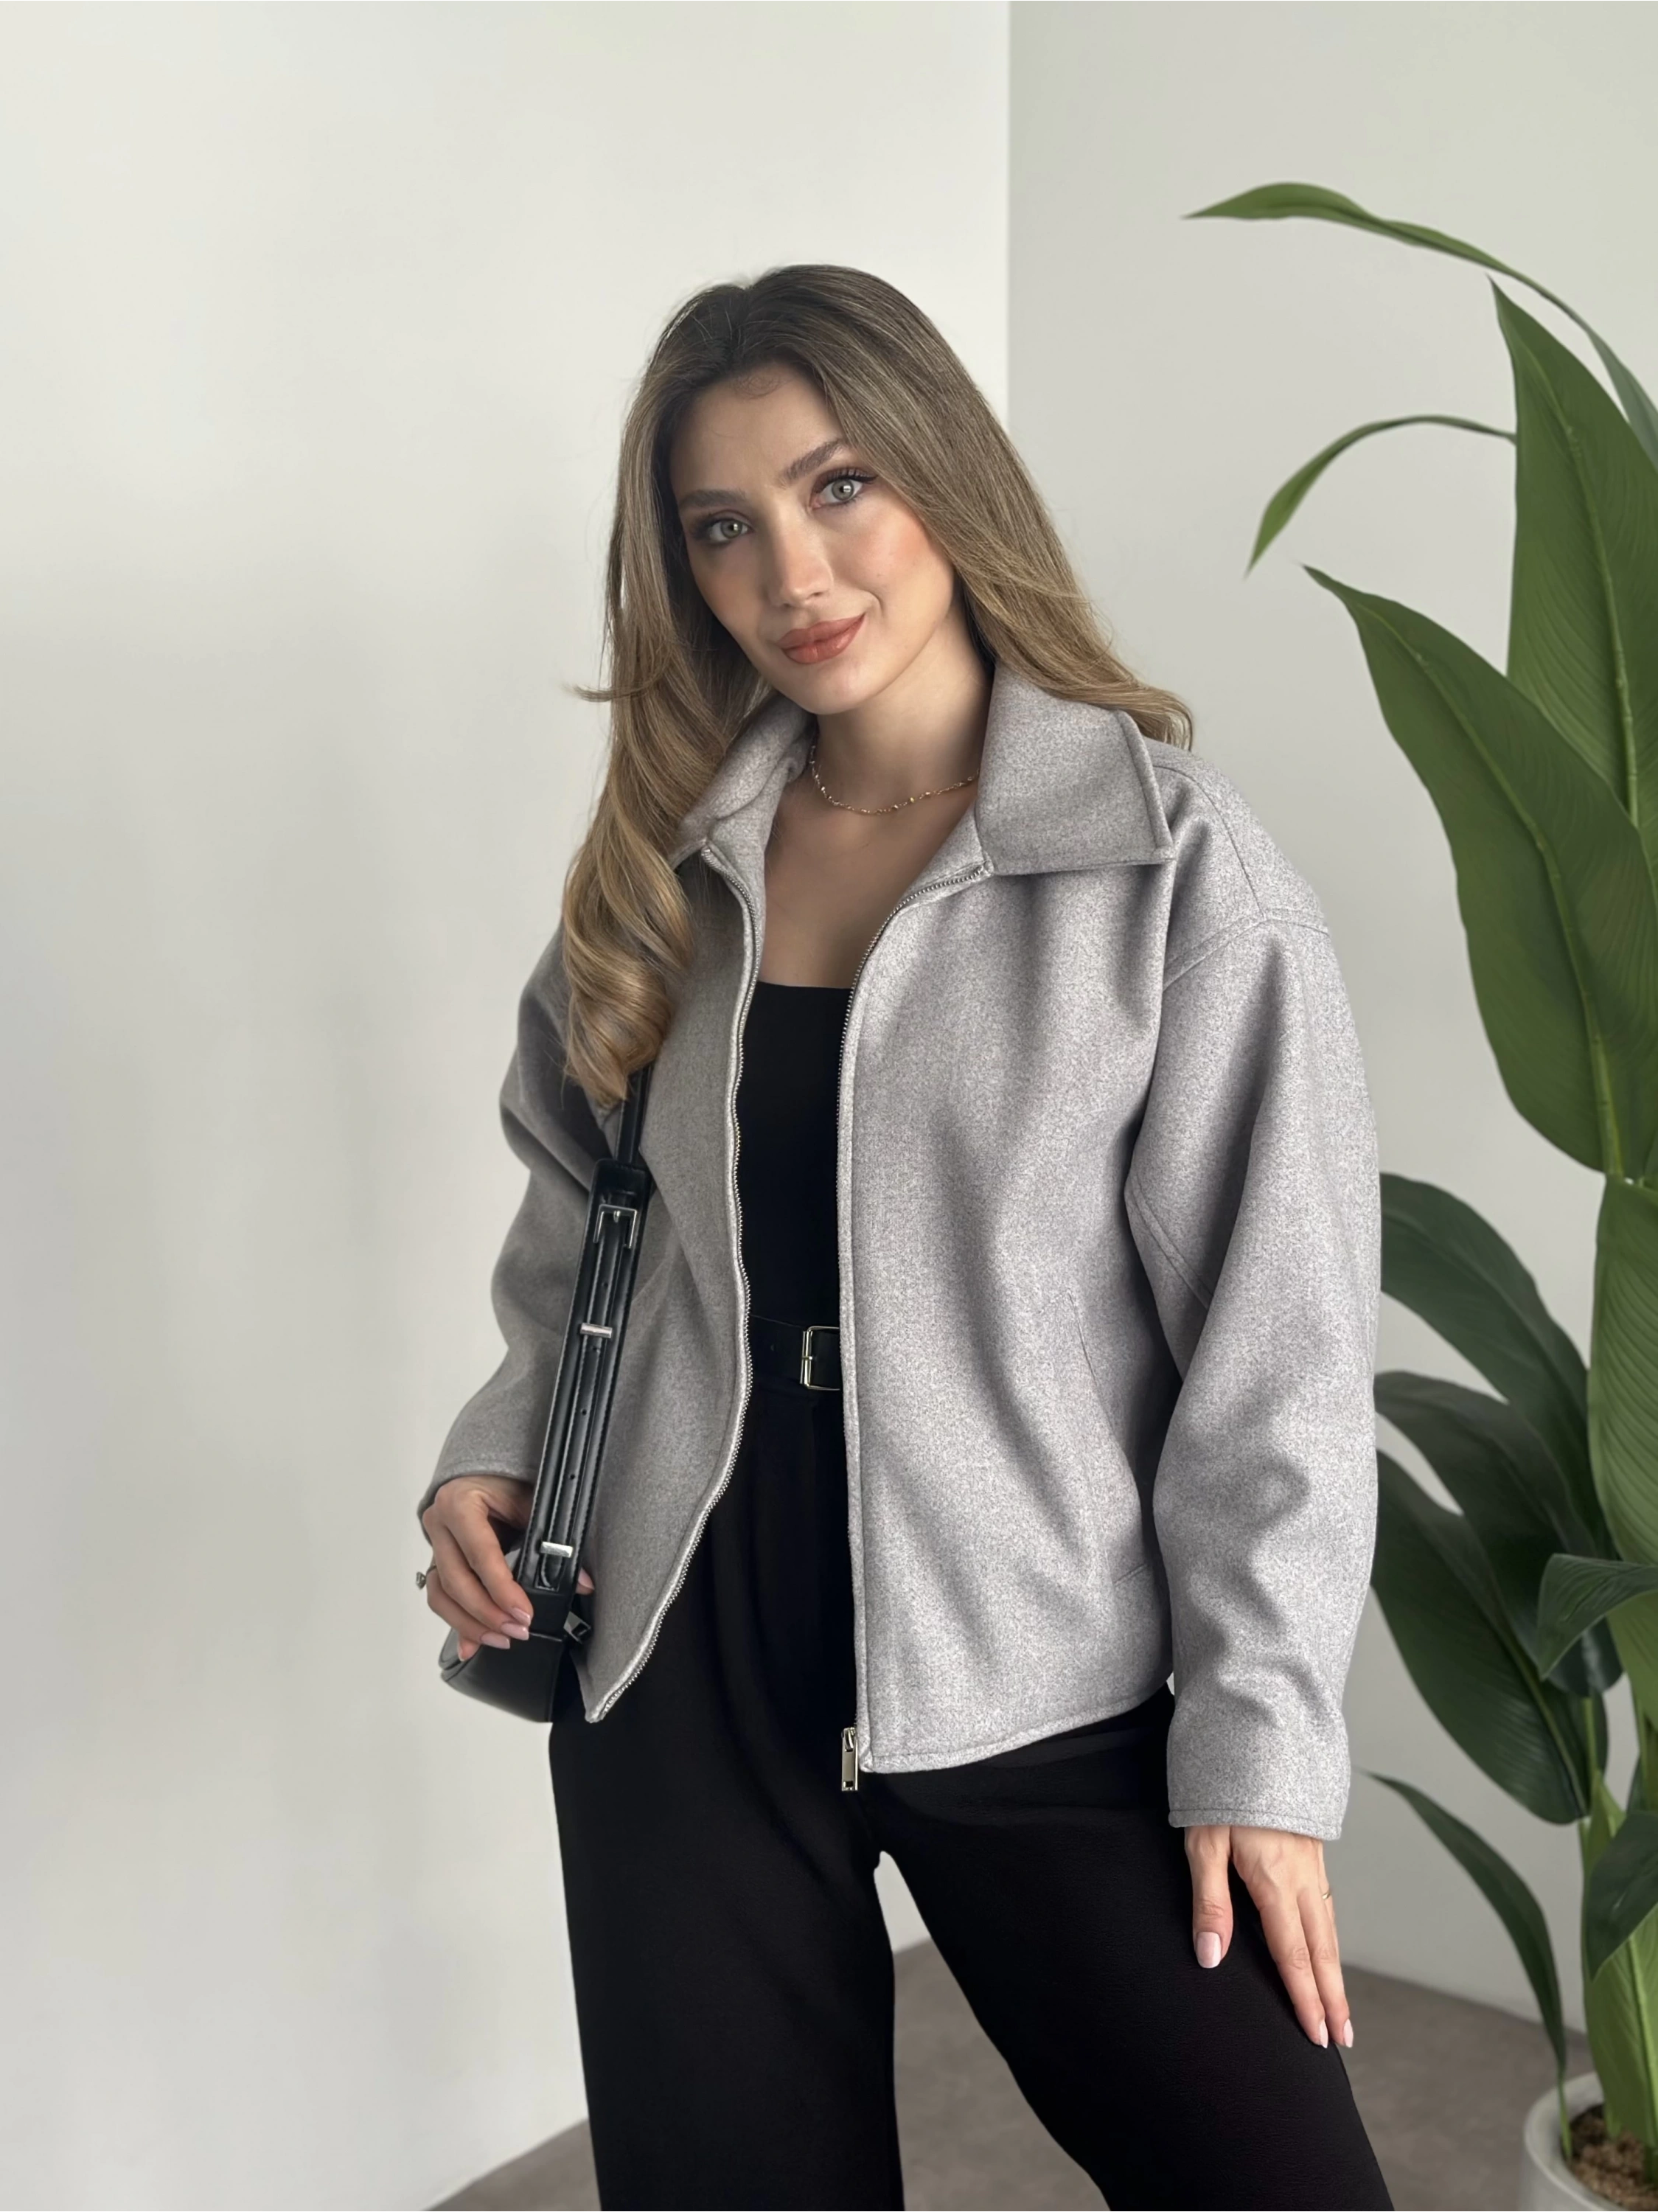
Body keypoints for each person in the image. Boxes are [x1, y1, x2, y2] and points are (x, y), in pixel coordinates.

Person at [414, 264, 1394, 2211]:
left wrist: (1261, 1753)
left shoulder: (1169, 867)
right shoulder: (670, 871)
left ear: (947, 473)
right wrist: (496, 1445)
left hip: (1044, 1669)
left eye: (840, 486)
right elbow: (581, 1206)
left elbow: (1278, 1356)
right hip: (681, 1673)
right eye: (723, 527)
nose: (794, 572)